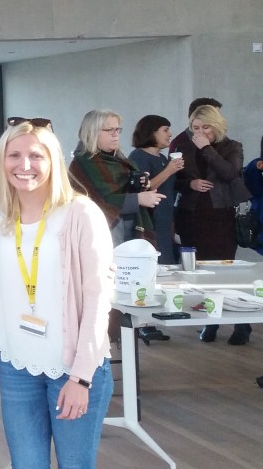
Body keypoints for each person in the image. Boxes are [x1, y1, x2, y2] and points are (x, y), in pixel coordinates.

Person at [0, 118, 113, 469]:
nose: (25, 165)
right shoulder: (1, 212)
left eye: (36, 156)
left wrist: (81, 376)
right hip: (19, 365)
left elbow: (100, 298)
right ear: (2, 162)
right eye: (15, 156)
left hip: (73, 370)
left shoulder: (80, 214)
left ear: (54, 160)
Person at [174, 105, 248, 343]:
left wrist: (206, 148)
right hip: (191, 213)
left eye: (205, 127)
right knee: (199, 272)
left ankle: (241, 324)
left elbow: (230, 173)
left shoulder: (232, 146)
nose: (200, 132)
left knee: (225, 271)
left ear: (216, 125)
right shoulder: (183, 146)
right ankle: (211, 321)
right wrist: (190, 184)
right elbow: (173, 180)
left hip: (220, 215)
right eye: (195, 128)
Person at [68, 110, 164, 248]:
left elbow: (123, 189)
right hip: (105, 234)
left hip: (131, 228)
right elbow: (98, 202)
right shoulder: (83, 164)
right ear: (92, 132)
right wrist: (138, 199)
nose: (115, 134)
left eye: (117, 129)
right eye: (109, 130)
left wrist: (141, 183)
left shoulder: (120, 160)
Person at [127, 115, 184, 263]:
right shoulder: (138, 156)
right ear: (152, 132)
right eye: (165, 130)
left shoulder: (163, 159)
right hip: (150, 222)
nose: (170, 134)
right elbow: (143, 188)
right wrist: (169, 171)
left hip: (165, 222)